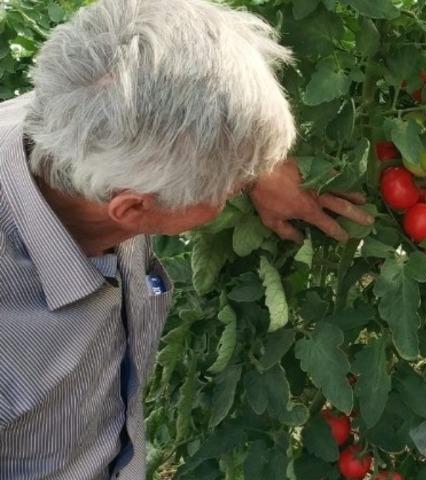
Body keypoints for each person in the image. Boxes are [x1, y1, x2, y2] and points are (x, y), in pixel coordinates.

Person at [0, 0, 372, 478]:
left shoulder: (77, 108)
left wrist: (257, 165)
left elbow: (165, 89)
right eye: (232, 185)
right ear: (134, 208)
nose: (243, 184)